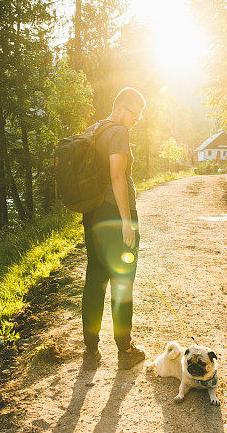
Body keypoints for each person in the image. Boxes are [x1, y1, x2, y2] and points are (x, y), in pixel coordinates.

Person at [81, 87, 147, 370]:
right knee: (122, 283)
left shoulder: (94, 129)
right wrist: (125, 223)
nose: (136, 121)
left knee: (94, 280)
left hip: (92, 215)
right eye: (136, 114)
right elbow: (117, 177)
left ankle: (91, 349)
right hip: (114, 215)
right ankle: (125, 350)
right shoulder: (119, 132)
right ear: (121, 107)